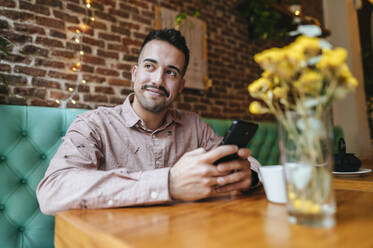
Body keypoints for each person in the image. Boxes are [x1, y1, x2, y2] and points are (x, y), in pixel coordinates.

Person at [36, 29, 260, 215]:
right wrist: (168, 183)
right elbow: (53, 191)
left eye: (171, 73)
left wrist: (248, 178)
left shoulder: (195, 126)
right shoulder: (94, 124)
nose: (157, 80)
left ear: (180, 86)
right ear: (135, 73)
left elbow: (253, 167)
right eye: (150, 66)